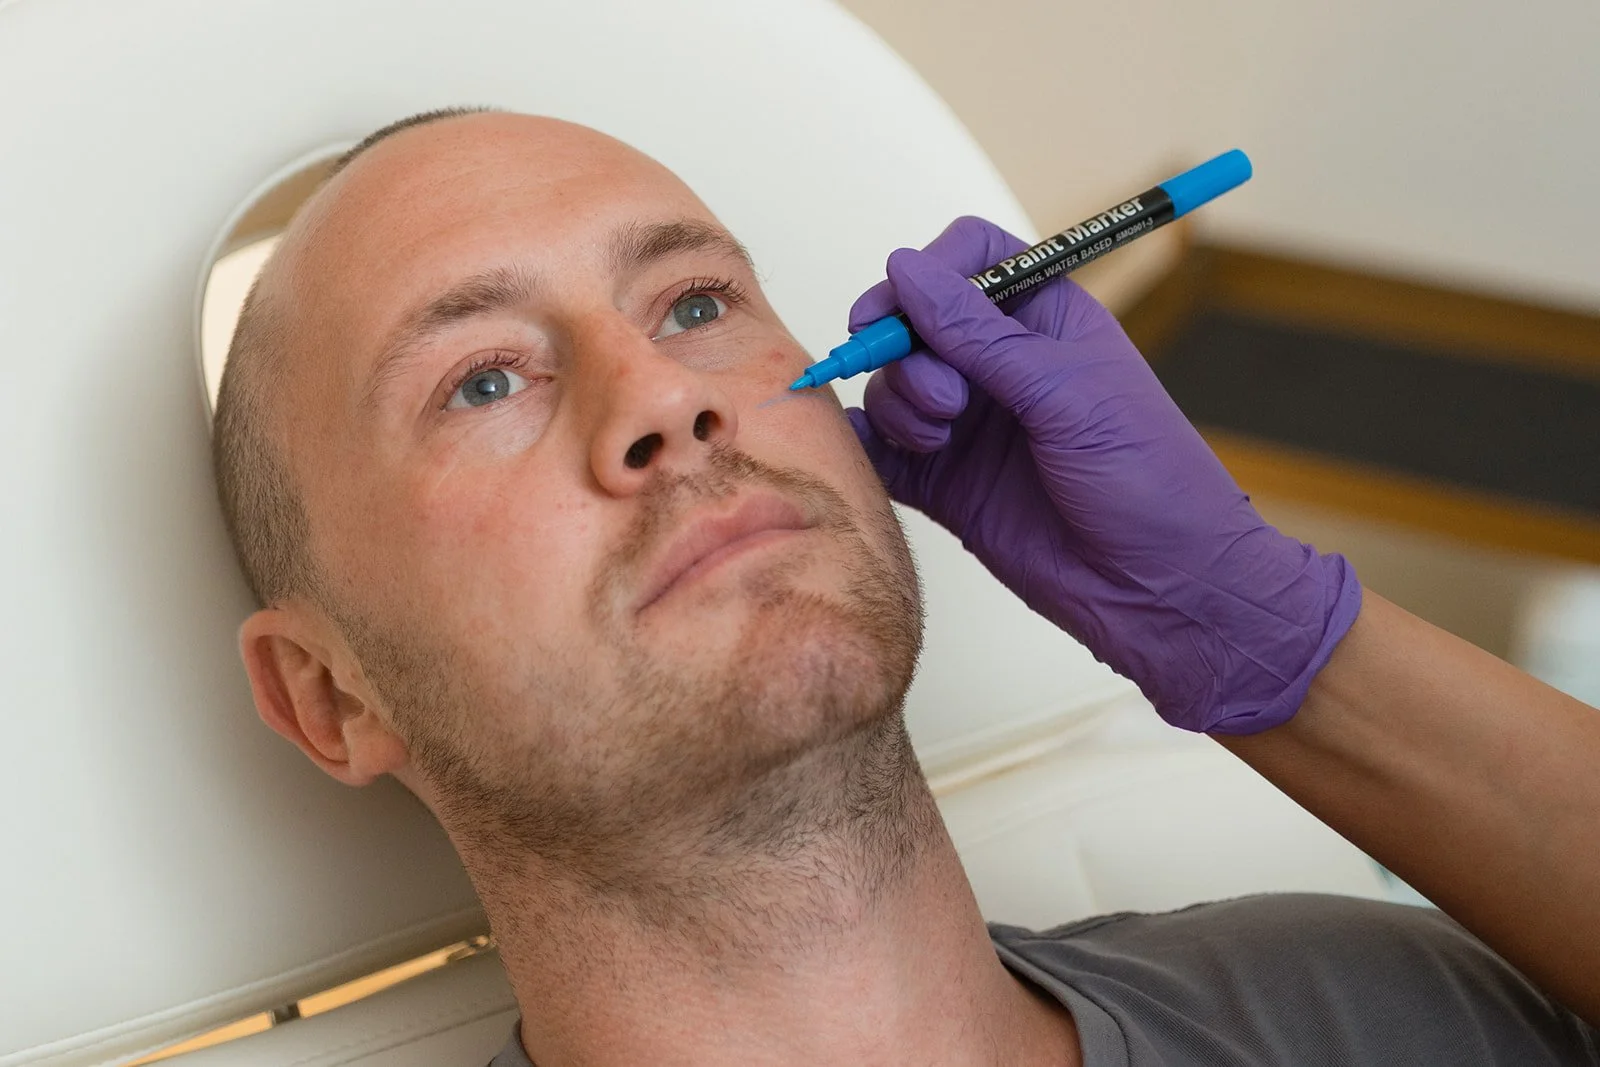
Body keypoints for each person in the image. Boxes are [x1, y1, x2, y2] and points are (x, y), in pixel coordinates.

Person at [212, 107, 1600, 1066]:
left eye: (695, 305)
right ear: (333, 695)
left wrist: (1283, 642)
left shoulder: (1379, 1005)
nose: (668, 400)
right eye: (484, 379)